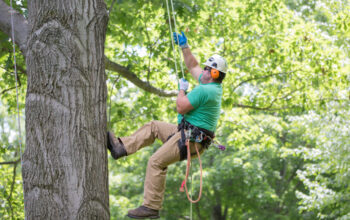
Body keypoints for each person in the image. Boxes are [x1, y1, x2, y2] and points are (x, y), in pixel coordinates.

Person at [107, 31, 228, 219]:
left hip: (190, 140)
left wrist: (181, 89)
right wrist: (184, 47)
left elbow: (181, 107)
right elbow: (193, 65)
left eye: (207, 69)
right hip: (186, 133)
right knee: (154, 126)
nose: (202, 70)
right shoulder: (210, 84)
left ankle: (151, 207)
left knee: (155, 162)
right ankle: (120, 148)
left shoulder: (207, 90)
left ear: (213, 73)